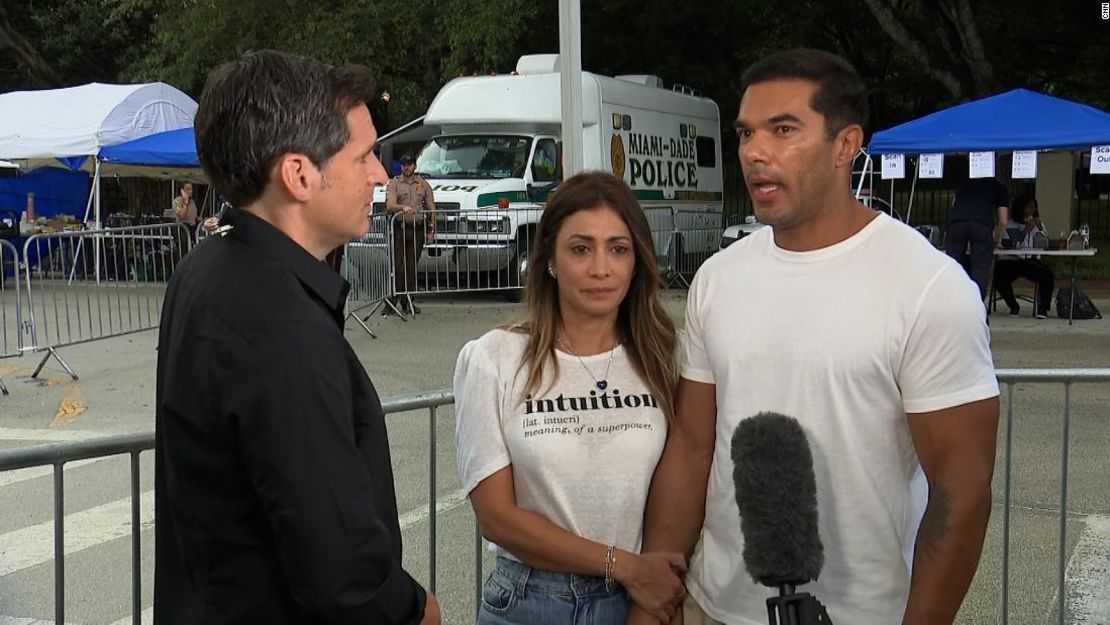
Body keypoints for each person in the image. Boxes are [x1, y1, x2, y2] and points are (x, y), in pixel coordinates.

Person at [627, 49, 1000, 625]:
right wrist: (657, 589)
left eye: (783, 130)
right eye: (747, 133)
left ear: (846, 145)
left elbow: (962, 493)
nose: (754, 152)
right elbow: (693, 448)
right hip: (713, 605)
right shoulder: (718, 279)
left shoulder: (928, 287)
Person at [154, 50, 438, 625]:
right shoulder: (282, 325)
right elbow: (341, 573)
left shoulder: (208, 269)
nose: (380, 175)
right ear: (299, 175)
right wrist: (417, 612)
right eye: (363, 157)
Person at [455, 171, 687, 625]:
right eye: (581, 249)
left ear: (636, 260)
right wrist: (622, 564)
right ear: (550, 260)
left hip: (637, 602)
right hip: (528, 600)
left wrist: (650, 584)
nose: (600, 268)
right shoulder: (493, 358)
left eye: (618, 249)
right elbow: (497, 518)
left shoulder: (667, 357)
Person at [384, 153, 435, 315]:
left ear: (414, 165)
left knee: (411, 266)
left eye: (410, 164)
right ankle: (393, 300)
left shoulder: (422, 184)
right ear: (401, 166)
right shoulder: (394, 183)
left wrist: (432, 229)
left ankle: (408, 301)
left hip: (417, 229)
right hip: (400, 228)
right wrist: (402, 208)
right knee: (397, 265)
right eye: (404, 164)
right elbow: (390, 205)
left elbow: (432, 207)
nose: (407, 167)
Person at [945, 175, 1010, 300]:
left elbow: (954, 205)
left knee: (953, 266)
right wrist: (997, 239)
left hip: (957, 224)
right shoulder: (998, 187)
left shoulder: (964, 183)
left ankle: (952, 300)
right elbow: (1003, 221)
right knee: (979, 268)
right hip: (981, 225)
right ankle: (976, 304)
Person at [993, 193, 1055, 318]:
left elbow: (1046, 242)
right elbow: (1011, 245)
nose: (1032, 211)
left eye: (1034, 208)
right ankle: (1013, 305)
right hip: (1013, 260)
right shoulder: (1009, 224)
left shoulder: (1038, 224)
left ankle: (1043, 309)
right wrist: (1026, 230)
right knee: (998, 275)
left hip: (1031, 260)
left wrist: (1040, 229)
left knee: (1047, 274)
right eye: (1029, 207)